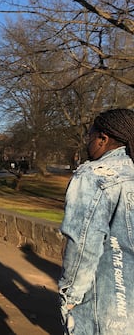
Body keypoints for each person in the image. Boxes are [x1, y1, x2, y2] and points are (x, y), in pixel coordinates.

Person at [58, 108, 134, 335]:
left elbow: (83, 244)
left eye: (89, 136)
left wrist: (70, 297)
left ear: (103, 138)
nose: (86, 142)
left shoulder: (94, 175)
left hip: (102, 304)